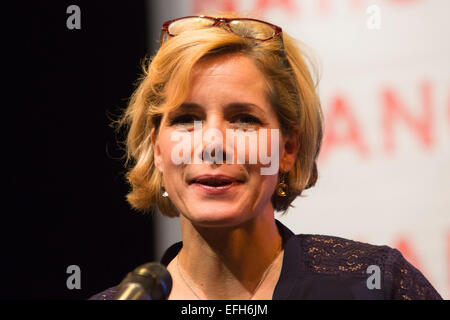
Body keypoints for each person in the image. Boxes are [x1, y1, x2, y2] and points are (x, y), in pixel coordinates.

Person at [90, 13, 442, 300]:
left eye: (244, 120)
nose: (213, 144)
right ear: (157, 150)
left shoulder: (377, 285)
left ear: (287, 149)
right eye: (186, 120)